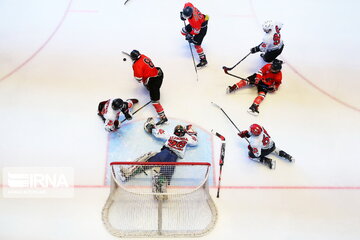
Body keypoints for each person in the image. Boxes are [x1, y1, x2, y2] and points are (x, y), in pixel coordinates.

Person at [120, 118, 198, 199]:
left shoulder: (170, 135)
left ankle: (128, 173)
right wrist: (191, 133)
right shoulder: (187, 139)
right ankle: (160, 193)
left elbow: (156, 132)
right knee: (164, 175)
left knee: (146, 162)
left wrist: (151, 126)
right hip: (173, 158)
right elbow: (195, 142)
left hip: (164, 153)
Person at [130, 50, 168, 125]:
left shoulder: (136, 64)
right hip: (159, 74)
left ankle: (163, 117)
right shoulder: (143, 56)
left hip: (153, 82)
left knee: (155, 101)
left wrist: (135, 66)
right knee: (147, 83)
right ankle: (150, 89)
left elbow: (139, 79)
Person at [180, 2, 209, 68]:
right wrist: (183, 15)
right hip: (196, 26)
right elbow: (187, 3)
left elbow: (197, 31)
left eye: (186, 16)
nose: (185, 17)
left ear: (190, 15)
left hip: (201, 29)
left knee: (197, 45)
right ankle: (193, 39)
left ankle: (203, 59)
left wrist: (190, 35)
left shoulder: (194, 21)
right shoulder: (189, 6)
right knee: (183, 31)